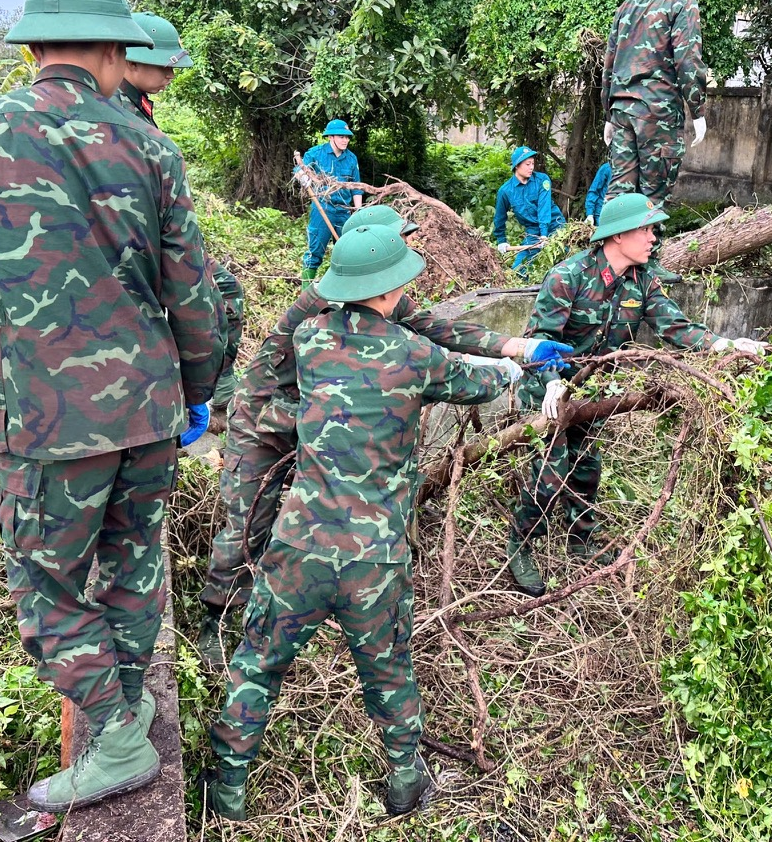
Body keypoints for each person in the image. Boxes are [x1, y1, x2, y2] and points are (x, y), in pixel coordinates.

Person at [0, 0, 223, 812]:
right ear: (115, 53)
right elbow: (192, 286)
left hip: (50, 419)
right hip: (152, 410)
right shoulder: (150, 145)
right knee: (131, 566)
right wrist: (201, 390)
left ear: (34, 46)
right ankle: (126, 702)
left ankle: (118, 737)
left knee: (47, 586)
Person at [204, 223, 526, 820]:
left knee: (258, 661)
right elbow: (480, 383)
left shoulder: (309, 340)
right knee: (388, 671)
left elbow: (281, 386)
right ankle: (405, 782)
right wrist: (521, 369)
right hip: (374, 558)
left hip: (297, 544)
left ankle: (228, 788)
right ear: (388, 287)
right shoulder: (417, 356)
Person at [197, 203, 572, 668]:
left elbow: (436, 328)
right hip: (266, 422)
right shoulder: (318, 302)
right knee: (246, 526)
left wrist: (515, 345)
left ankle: (324, 605)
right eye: (400, 239)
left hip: (327, 420)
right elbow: (273, 385)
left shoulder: (380, 292)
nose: (410, 248)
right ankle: (215, 620)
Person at [506, 193, 767, 596]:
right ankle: (520, 547)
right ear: (617, 236)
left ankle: (580, 542)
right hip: (549, 388)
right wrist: (551, 379)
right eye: (645, 229)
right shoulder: (568, 277)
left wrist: (724, 345)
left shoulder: (641, 281)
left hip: (592, 391)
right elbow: (539, 339)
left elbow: (675, 327)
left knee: (587, 468)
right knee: (550, 473)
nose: (652, 238)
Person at [115, 11, 245, 412]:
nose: (171, 75)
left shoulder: (135, 104)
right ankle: (207, 390)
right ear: (131, 60)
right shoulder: (116, 109)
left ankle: (215, 386)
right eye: (163, 66)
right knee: (217, 294)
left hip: (155, 233)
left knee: (224, 290)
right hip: (134, 241)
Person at [602, 0, 708, 210]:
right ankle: (650, 254)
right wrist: (697, 111)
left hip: (622, 110)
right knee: (652, 202)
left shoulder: (628, 5)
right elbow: (688, 61)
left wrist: (608, 115)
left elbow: (610, 64)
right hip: (657, 115)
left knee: (619, 201)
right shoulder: (683, 3)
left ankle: (608, 253)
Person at [296, 119, 362, 289]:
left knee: (346, 253)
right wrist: (303, 176)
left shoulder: (351, 158)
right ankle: (305, 294)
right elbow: (299, 169)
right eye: (341, 137)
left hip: (344, 212)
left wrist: (358, 211)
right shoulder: (316, 153)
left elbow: (356, 187)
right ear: (330, 137)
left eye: (347, 137)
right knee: (315, 251)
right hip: (322, 209)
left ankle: (346, 292)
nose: (345, 140)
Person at [493, 145, 564, 275]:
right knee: (519, 270)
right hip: (533, 232)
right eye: (527, 164)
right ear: (516, 166)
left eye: (532, 163)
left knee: (565, 260)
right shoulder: (506, 191)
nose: (531, 167)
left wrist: (544, 236)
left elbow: (544, 208)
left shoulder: (542, 180)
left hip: (555, 225)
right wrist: (501, 240)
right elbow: (499, 218)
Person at [584, 161, 611, 225]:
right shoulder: (607, 168)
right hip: (603, 214)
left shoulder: (632, 168)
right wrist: (590, 214)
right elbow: (594, 191)